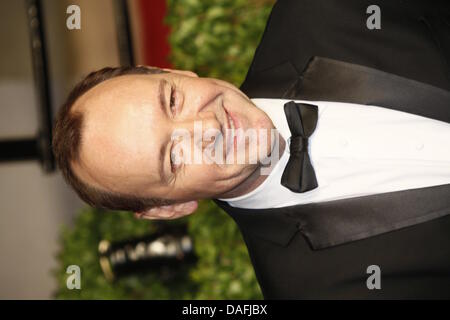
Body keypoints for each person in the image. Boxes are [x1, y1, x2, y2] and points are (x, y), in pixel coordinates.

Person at [52, 0, 450, 298]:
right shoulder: (308, 291)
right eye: (172, 156)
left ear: (175, 73)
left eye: (172, 101)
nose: (207, 126)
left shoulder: (318, 11)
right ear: (168, 208)